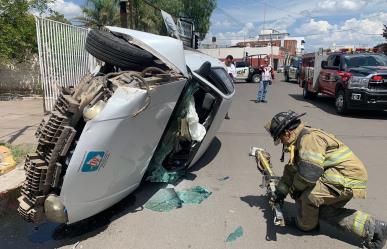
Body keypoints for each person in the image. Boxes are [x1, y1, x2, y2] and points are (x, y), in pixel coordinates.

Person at [265, 110, 387, 249]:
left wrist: (294, 190)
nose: (281, 142)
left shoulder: (309, 139)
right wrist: (280, 193)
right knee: (323, 211)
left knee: (309, 197)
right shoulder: (300, 139)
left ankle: (306, 226)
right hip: (342, 177)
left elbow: (309, 174)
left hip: (346, 178)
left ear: (288, 132)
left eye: (280, 138)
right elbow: (291, 170)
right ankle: (375, 228)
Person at [224, 55, 235, 120]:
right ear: (226, 59)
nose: (229, 63)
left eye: (230, 62)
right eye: (228, 62)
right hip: (222, 85)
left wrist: (232, 75)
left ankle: (226, 114)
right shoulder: (221, 65)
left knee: (228, 100)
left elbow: (235, 75)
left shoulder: (232, 66)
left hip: (229, 85)